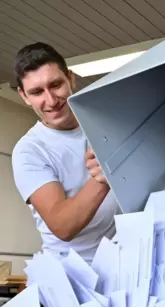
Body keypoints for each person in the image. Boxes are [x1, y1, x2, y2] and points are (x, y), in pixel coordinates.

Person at [11, 42, 119, 264]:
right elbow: (63, 225)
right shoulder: (29, 151)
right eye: (36, 92)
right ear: (24, 96)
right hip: (74, 275)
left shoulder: (102, 123)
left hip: (122, 257)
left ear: (70, 79)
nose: (50, 100)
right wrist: (106, 171)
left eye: (56, 85)